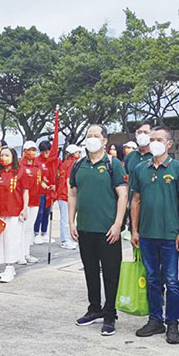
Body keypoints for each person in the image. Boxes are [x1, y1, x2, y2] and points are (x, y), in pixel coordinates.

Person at [130, 126, 179, 344]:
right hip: (146, 234)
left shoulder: (178, 168)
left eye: (159, 139)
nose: (154, 142)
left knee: (171, 281)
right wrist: (134, 230)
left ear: (169, 144)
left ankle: (172, 323)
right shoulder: (140, 168)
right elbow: (135, 200)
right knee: (153, 279)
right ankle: (155, 320)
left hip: (170, 235)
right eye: (151, 138)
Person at [69, 126, 128, 336]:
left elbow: (123, 195)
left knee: (111, 274)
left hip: (107, 230)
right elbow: (73, 194)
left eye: (96, 136)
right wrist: (71, 221)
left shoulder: (114, 165)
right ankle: (94, 309)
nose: (92, 139)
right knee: (90, 271)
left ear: (104, 141)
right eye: (89, 136)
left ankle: (110, 314)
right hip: (85, 228)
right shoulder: (78, 165)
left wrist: (117, 224)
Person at [0, 147, 28, 283]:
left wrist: (25, 209)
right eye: (2, 155)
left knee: (11, 239)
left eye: (7, 155)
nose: (3, 157)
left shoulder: (20, 172)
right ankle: (6, 265)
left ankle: (10, 266)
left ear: (13, 157)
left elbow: (25, 191)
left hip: (14, 211)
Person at [18, 141, 45, 265]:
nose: (32, 152)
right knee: (21, 229)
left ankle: (26, 253)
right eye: (29, 150)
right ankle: (19, 255)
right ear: (24, 151)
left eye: (34, 150)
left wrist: (47, 186)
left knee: (29, 228)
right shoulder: (19, 165)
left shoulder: (37, 166)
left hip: (35, 200)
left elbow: (40, 181)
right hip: (22, 202)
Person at [57, 144, 81, 249]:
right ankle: (65, 240)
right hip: (65, 194)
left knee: (66, 218)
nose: (79, 154)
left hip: (62, 193)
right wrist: (70, 194)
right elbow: (68, 180)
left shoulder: (64, 163)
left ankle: (67, 239)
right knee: (66, 218)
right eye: (77, 152)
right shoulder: (72, 164)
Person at [33, 140, 53, 245]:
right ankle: (36, 233)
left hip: (49, 191)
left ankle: (44, 232)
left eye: (48, 151)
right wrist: (41, 183)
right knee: (39, 212)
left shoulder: (51, 161)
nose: (46, 154)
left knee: (47, 212)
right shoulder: (37, 161)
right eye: (44, 152)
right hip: (39, 191)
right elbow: (36, 175)